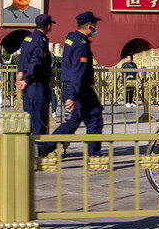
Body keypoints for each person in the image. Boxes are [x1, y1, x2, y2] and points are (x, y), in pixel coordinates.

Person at [39, 11, 104, 158]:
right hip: (79, 88)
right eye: (95, 25)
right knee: (90, 119)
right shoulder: (80, 44)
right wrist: (73, 96)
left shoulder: (72, 39)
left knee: (76, 121)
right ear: (89, 26)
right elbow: (78, 70)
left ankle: (45, 147)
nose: (96, 28)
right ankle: (94, 155)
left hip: (75, 87)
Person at [17, 14, 55, 137]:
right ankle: (39, 150)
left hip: (28, 85)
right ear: (48, 26)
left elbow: (23, 60)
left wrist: (21, 77)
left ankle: (28, 149)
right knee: (39, 118)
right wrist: (27, 79)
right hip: (36, 83)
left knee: (29, 117)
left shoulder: (28, 39)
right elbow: (36, 62)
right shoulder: (41, 41)